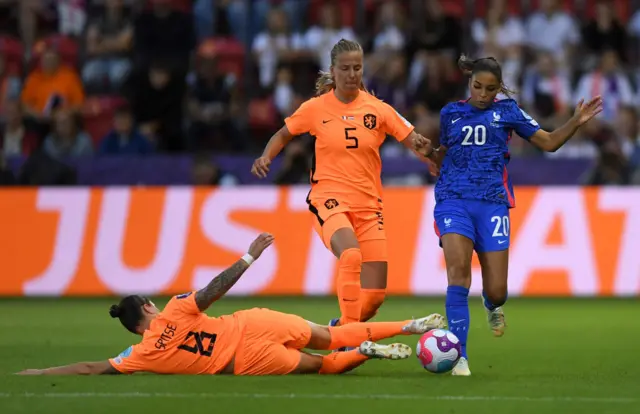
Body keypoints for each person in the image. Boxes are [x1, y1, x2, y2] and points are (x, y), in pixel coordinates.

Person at [17, 233, 446, 376]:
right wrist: (249, 256)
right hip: (251, 323)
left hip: (246, 359)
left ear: (130, 329)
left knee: (323, 365)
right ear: (147, 306)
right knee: (331, 334)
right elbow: (212, 291)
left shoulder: (140, 356)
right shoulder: (174, 309)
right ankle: (410, 324)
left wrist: (40, 372)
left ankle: (366, 353)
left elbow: (92, 368)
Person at [414, 55, 603, 376]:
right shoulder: (451, 113)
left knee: (498, 290)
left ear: (499, 89)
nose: (483, 94)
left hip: (492, 203)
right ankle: (459, 355)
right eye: (477, 87)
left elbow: (549, 142)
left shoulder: (508, 112)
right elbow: (447, 152)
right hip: (453, 199)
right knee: (458, 272)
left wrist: (575, 121)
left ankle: (492, 305)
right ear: (469, 83)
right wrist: (430, 154)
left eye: (490, 89)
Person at [251, 39, 436, 337]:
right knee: (350, 255)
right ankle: (348, 341)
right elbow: (284, 133)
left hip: (368, 206)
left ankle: (337, 331)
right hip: (329, 199)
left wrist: (427, 155)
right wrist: (266, 156)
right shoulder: (315, 108)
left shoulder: (379, 109)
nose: (352, 74)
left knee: (374, 296)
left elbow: (411, 137)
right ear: (333, 71)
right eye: (346, 68)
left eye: (358, 68)